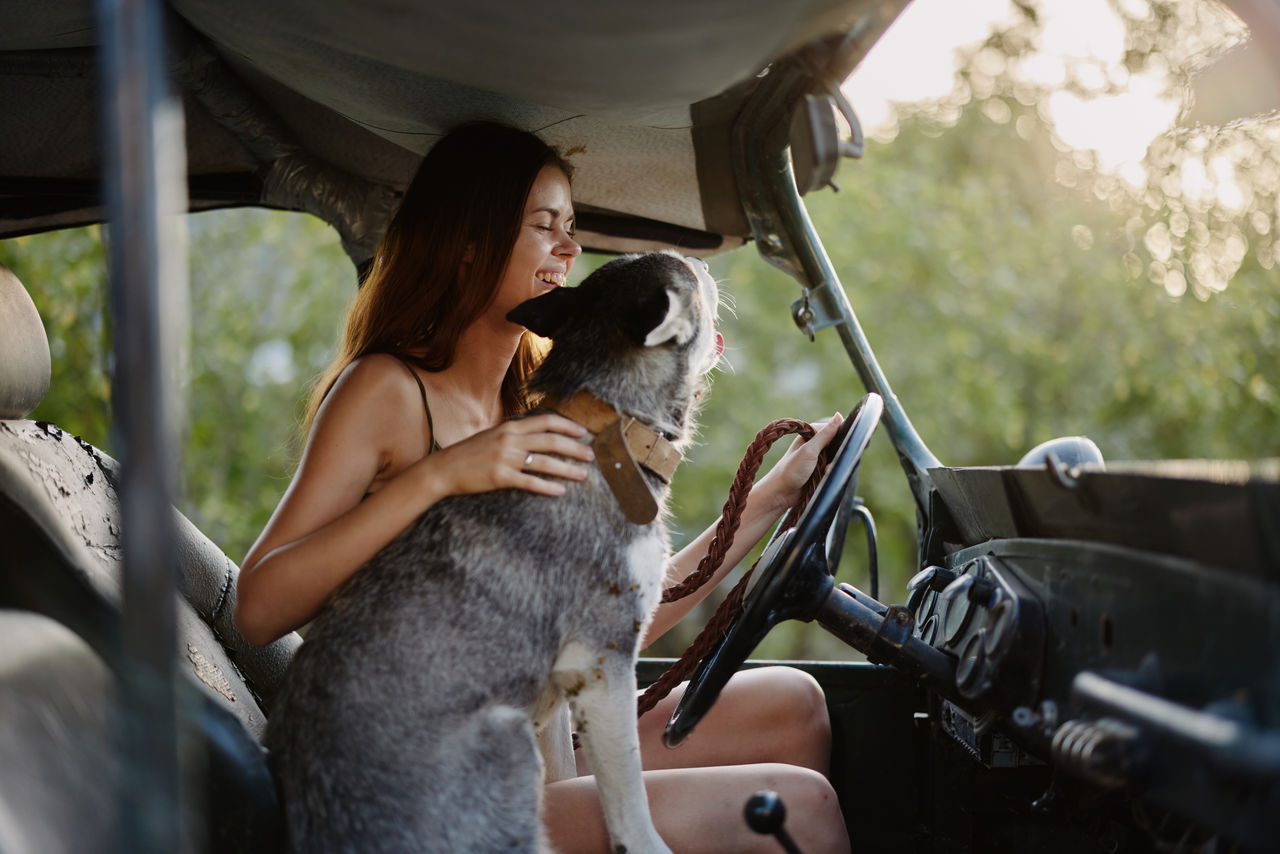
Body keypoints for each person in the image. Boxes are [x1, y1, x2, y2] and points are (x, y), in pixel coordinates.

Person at [235, 121, 850, 854]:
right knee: (801, 809)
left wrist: (773, 498)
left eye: (571, 227)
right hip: (446, 780)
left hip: (533, 734)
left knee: (795, 707)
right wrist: (440, 476)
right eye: (543, 226)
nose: (569, 247)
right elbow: (258, 608)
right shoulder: (388, 392)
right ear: (469, 240)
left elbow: (603, 626)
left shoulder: (538, 406)